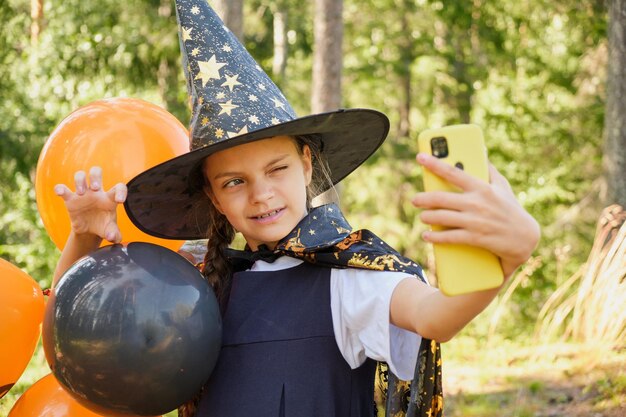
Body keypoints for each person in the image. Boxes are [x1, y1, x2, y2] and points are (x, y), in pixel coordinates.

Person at [52, 1, 540, 417]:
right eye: (235, 182)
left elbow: (436, 317)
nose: (261, 194)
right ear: (214, 198)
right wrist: (86, 238)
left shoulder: (350, 275)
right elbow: (69, 331)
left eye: (277, 169)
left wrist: (507, 258)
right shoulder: (190, 275)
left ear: (307, 165)